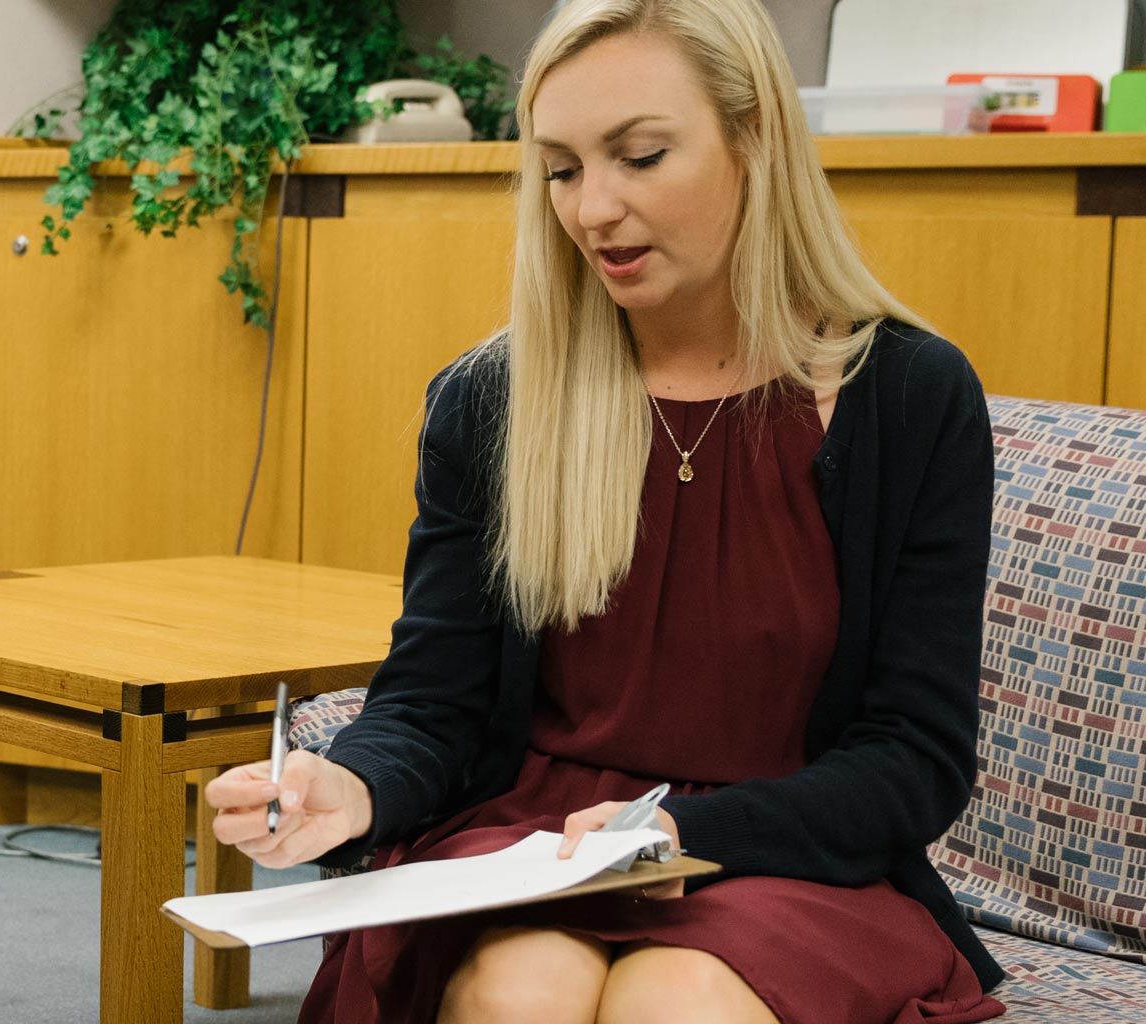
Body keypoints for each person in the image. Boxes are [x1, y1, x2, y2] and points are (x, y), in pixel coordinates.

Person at [201, 1, 1009, 1021]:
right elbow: (433, 703)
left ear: (753, 139)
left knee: (675, 999)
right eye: (563, 168)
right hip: (531, 848)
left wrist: (677, 831)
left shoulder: (908, 396)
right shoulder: (489, 401)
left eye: (639, 156)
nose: (592, 212)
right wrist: (348, 788)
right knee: (520, 987)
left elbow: (913, 757)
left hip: (789, 856)